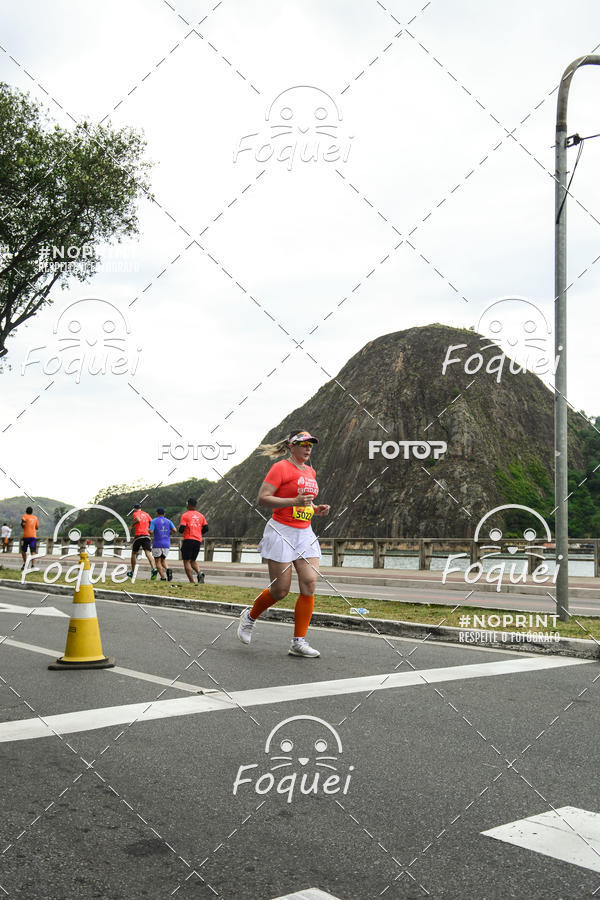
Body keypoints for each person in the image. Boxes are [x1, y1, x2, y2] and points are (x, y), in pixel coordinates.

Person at [237, 429, 330, 658]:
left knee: (309, 583)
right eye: (303, 444)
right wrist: (294, 500)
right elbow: (263, 498)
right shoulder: (280, 467)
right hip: (281, 531)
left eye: (311, 444)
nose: (308, 448)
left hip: (305, 532)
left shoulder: (310, 471)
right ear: (291, 446)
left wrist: (315, 509)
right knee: (280, 590)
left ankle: (299, 642)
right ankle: (249, 617)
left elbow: (304, 501)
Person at [179, 498, 208, 583]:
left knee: (186, 561)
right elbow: (206, 528)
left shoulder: (185, 515)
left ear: (188, 504)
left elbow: (182, 529)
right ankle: (200, 572)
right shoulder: (201, 515)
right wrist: (199, 532)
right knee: (193, 560)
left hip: (188, 539)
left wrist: (181, 530)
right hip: (198, 540)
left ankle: (191, 581)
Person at [127, 503, 158, 580]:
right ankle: (154, 568)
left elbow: (138, 519)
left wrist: (131, 526)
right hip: (147, 535)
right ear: (141, 508)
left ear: (134, 508)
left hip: (138, 535)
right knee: (147, 552)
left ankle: (133, 572)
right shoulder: (146, 514)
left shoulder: (135, 513)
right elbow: (152, 522)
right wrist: (151, 529)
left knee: (134, 553)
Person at [149, 507, 177, 581]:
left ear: (157, 513)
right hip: (166, 544)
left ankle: (163, 577)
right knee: (162, 560)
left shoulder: (154, 521)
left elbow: (151, 531)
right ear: (164, 514)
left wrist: (149, 530)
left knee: (157, 561)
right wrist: (168, 534)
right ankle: (168, 569)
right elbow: (174, 530)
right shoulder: (168, 521)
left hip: (157, 543)